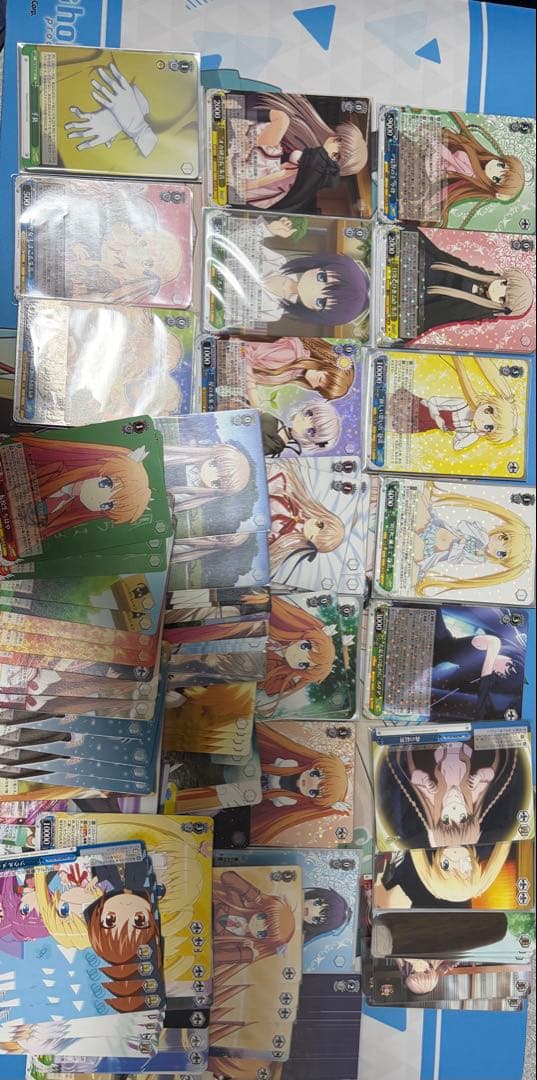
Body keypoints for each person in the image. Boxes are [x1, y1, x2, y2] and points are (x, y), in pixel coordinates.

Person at [212, 213, 369, 330]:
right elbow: (235, 242)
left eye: (321, 302)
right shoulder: (278, 262)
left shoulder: (274, 312)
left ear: (316, 312)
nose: (312, 289)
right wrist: (267, 229)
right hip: (212, 258)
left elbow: (229, 316)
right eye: (322, 277)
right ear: (319, 266)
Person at [228, 92, 367, 213]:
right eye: (338, 139)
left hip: (250, 175)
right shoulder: (309, 160)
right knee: (280, 119)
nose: (333, 144)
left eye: (337, 155)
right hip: (252, 168)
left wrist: (241, 187)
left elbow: (264, 182)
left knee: (281, 119)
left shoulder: (308, 172)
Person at [412, 482, 532, 597]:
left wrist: (460, 545)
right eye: (503, 537)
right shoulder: (481, 535)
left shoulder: (478, 558)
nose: (497, 546)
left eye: (502, 553)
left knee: (414, 542)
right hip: (432, 528)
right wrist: (480, 536)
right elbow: (462, 525)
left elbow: (454, 559)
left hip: (430, 551)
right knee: (418, 503)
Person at [17, 435, 152, 536]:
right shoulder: (53, 466)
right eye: (105, 483)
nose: (98, 499)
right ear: (99, 470)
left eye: (107, 505)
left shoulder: (68, 514)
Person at [389, 354, 519, 450]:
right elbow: (433, 400)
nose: (483, 419)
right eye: (489, 410)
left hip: (419, 425)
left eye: (489, 427)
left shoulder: (466, 428)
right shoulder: (462, 405)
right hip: (416, 406)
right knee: (385, 400)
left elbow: (457, 446)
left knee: (383, 425)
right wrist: (436, 416)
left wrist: (475, 435)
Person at [251, 722, 351, 845]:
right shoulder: (284, 759)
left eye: (314, 792)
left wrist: (331, 807)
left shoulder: (284, 804)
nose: (310, 782)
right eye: (315, 774)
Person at [416, 232, 533, 335]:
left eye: (502, 298)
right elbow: (450, 261)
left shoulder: (474, 311)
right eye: (504, 284)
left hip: (422, 296)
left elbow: (439, 315)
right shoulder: (480, 276)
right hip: (428, 265)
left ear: (503, 308)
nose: (497, 290)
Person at [255, 596, 337, 717]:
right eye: (305, 646)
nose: (298, 657)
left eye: (304, 665)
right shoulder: (276, 631)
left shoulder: (280, 675)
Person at [268, 463, 345, 583]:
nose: (312, 529)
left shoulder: (286, 541)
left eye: (313, 536)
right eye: (319, 525)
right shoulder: (295, 502)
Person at [213, 869, 296, 965]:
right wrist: (258, 897)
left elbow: (213, 957)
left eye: (263, 933)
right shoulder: (237, 905)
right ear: (262, 910)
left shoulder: (233, 944)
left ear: (263, 940)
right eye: (262, 917)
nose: (258, 925)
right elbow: (227, 877)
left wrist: (248, 954)